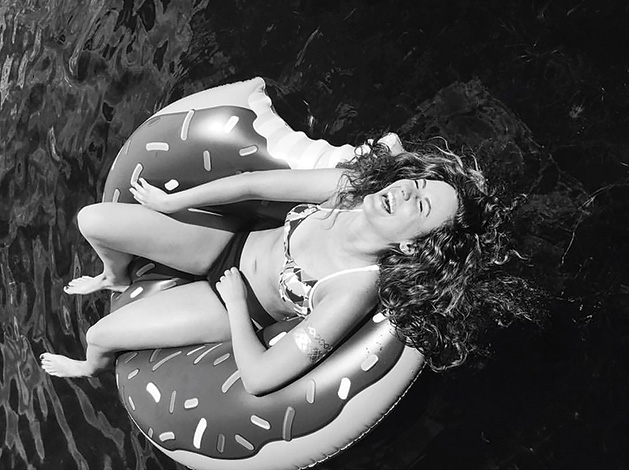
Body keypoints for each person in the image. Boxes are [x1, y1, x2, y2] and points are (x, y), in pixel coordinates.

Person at [41, 138, 515, 395]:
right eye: (416, 182)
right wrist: (175, 203)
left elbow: (261, 377)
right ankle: (115, 276)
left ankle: (89, 370)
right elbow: (251, 185)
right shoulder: (348, 188)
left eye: (422, 206)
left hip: (236, 304)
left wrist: (232, 304)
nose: (405, 191)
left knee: (99, 336)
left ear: (415, 247)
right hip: (228, 243)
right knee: (93, 220)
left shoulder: (351, 289)